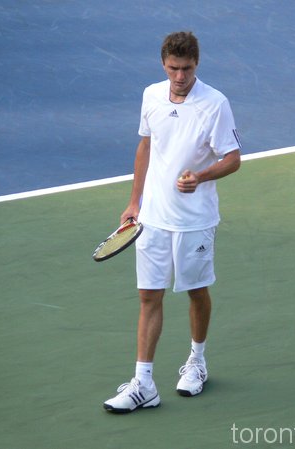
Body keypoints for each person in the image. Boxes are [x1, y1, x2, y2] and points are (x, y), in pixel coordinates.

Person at [103, 31, 241, 413]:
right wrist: (134, 202)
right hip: (153, 218)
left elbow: (232, 158)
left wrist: (200, 176)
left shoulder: (215, 104)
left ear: (197, 64)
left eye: (187, 69)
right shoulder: (151, 96)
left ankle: (197, 361)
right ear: (163, 64)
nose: (180, 76)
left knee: (196, 291)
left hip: (195, 220)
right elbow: (146, 145)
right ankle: (143, 383)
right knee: (149, 296)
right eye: (173, 68)